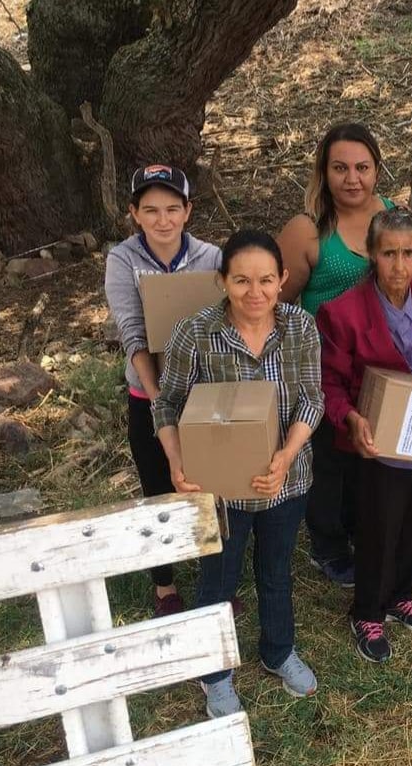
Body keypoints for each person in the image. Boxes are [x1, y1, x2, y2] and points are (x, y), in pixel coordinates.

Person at [153, 229, 324, 719]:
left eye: (267, 280)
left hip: (284, 482)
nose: (256, 293)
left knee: (276, 573)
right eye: (242, 280)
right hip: (220, 489)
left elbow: (313, 398)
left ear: (283, 279)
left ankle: (278, 652)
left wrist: (287, 454)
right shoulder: (196, 333)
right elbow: (167, 404)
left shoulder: (300, 328)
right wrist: (177, 461)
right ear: (222, 280)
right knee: (217, 580)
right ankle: (215, 675)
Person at [319, 209, 412, 663]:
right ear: (372, 253)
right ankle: (366, 610)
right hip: (378, 434)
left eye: (408, 253)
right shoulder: (343, 312)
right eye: (389, 254)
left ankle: (402, 593)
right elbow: (329, 383)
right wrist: (351, 419)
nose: (399, 265)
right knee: (378, 527)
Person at [277, 123, 396, 589]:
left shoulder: (392, 217)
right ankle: (326, 545)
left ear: (377, 170)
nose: (352, 178)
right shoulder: (307, 230)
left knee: (370, 455)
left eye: (362, 168)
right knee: (330, 462)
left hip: (383, 365)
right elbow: (279, 305)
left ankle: (359, 530)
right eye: (340, 168)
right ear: (323, 173)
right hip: (324, 367)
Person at [103, 164, 222, 617]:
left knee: (210, 484)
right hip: (148, 392)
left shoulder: (210, 257)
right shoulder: (123, 260)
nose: (163, 220)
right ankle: (165, 585)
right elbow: (133, 331)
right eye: (150, 210)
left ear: (188, 211)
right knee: (158, 486)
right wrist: (158, 401)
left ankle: (217, 578)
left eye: (173, 208)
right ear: (134, 213)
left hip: (203, 391)